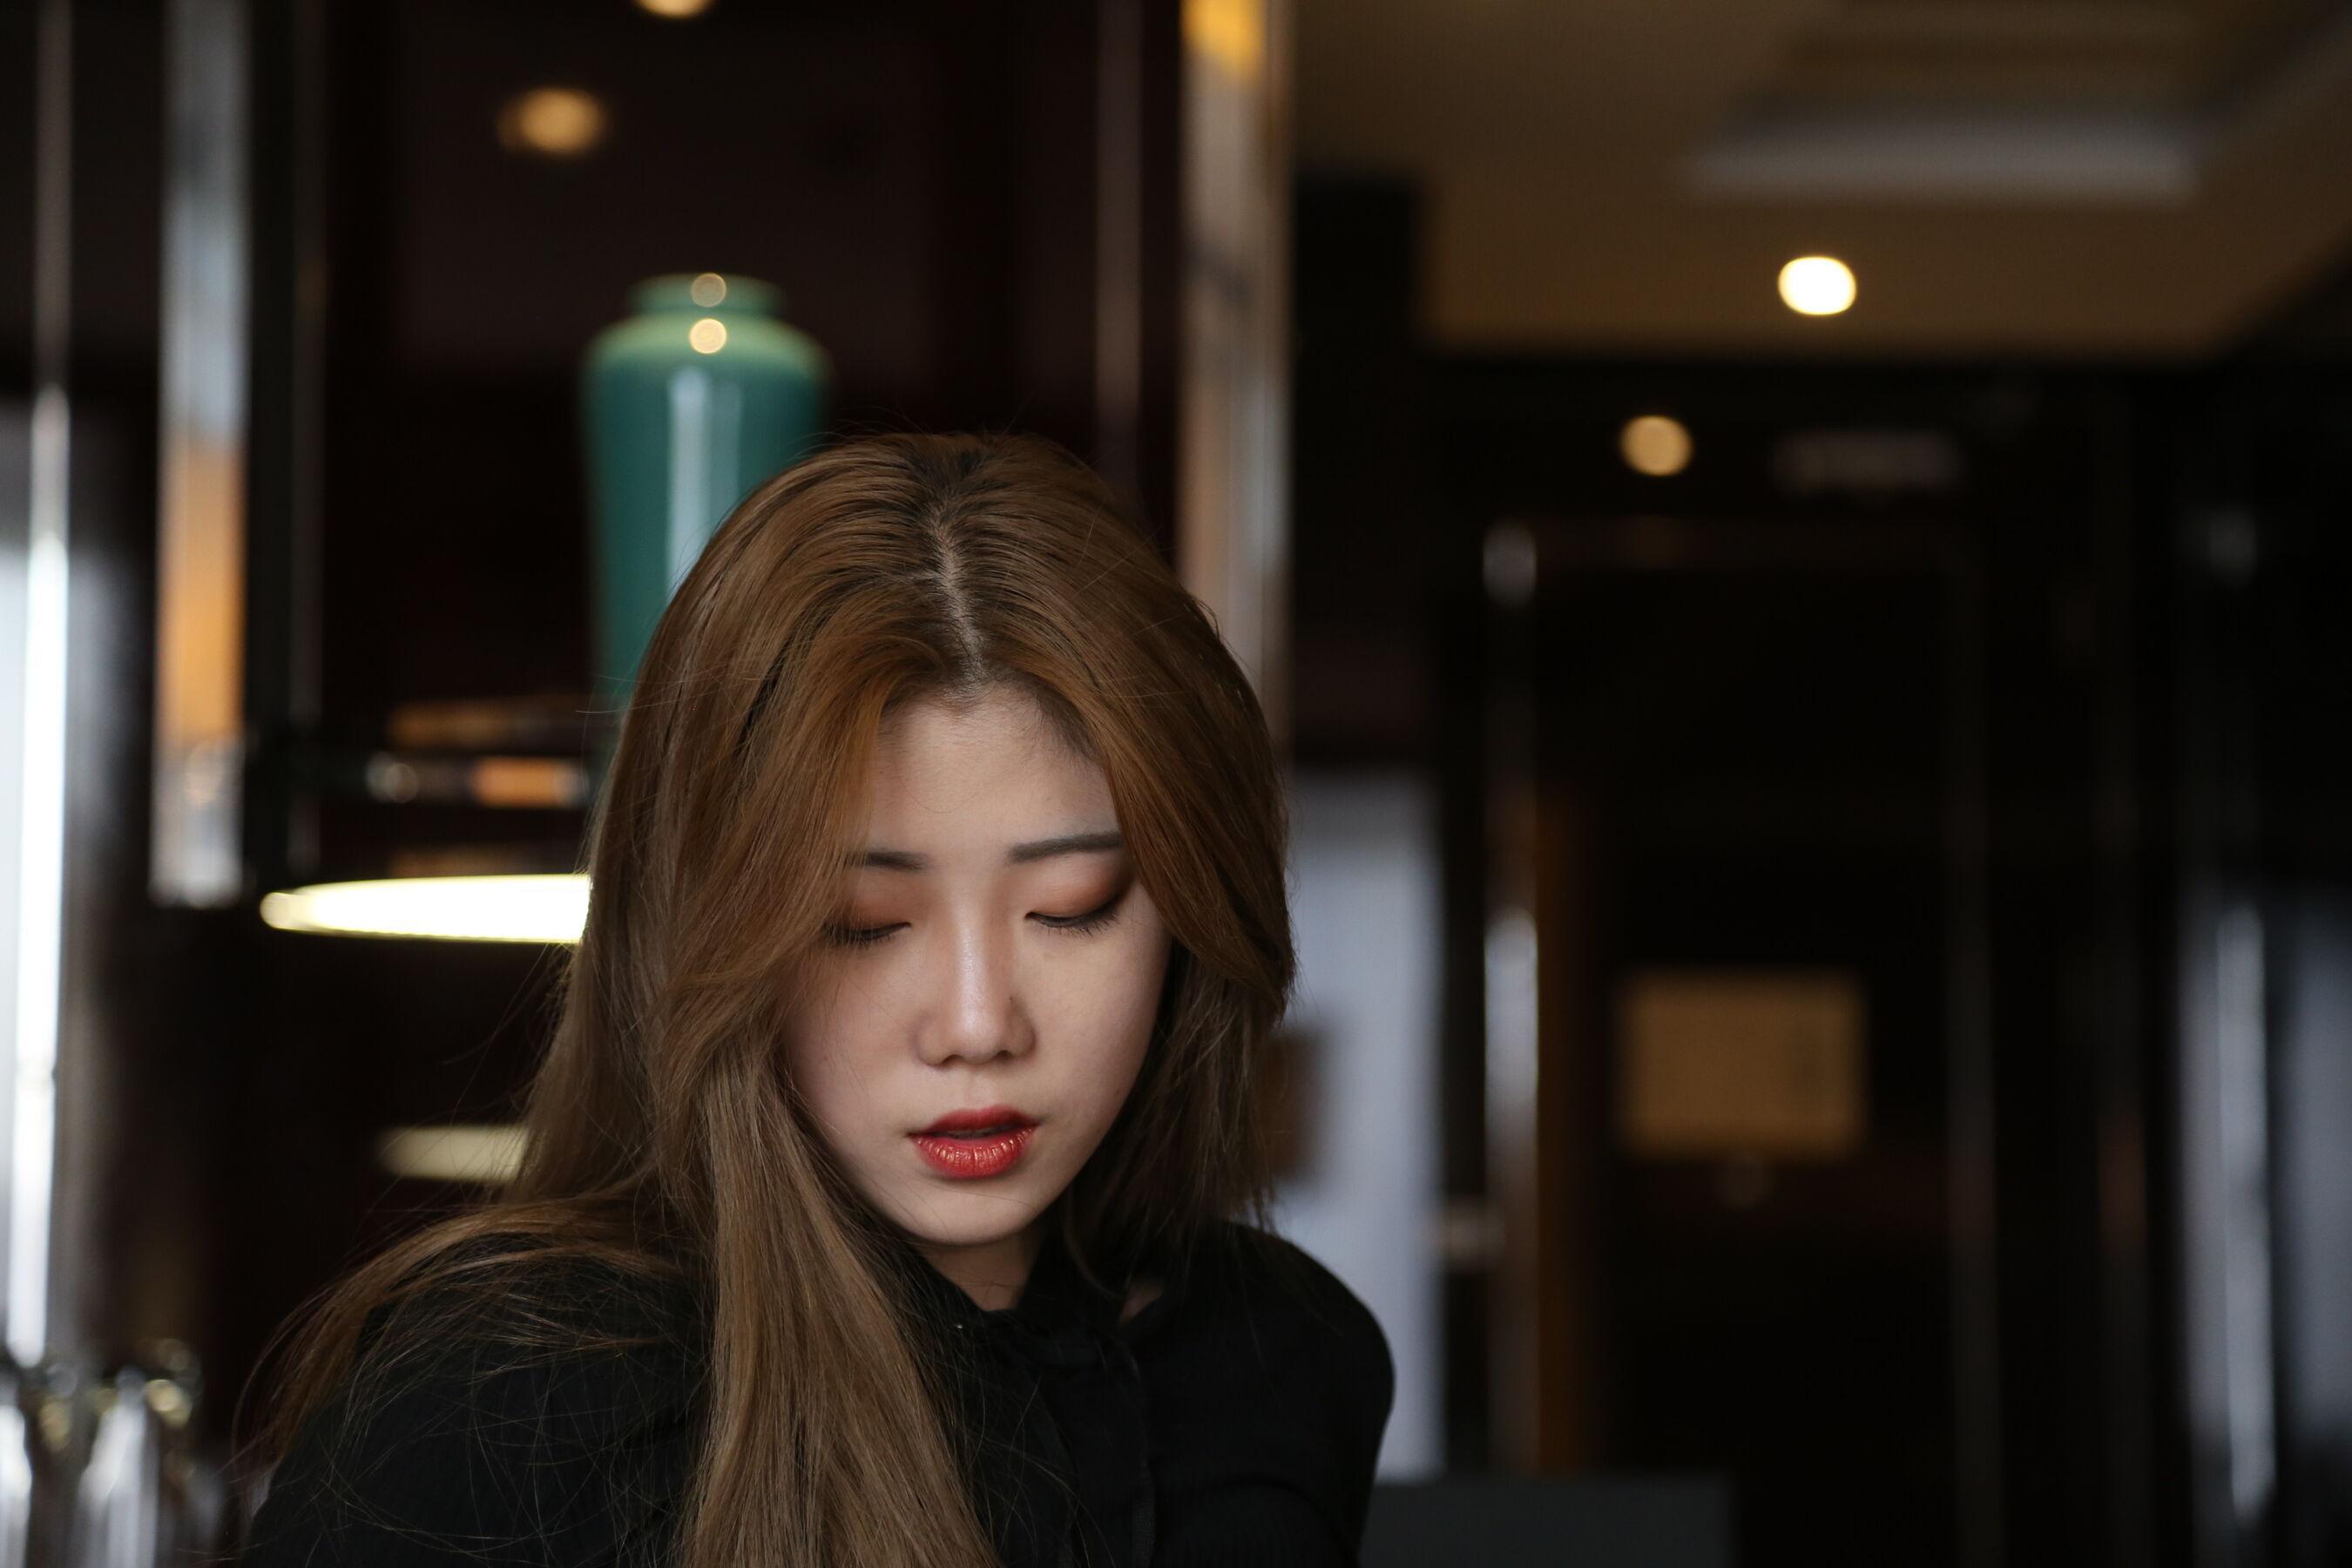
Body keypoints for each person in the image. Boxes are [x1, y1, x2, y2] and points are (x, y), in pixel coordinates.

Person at [236, 432, 1396, 1568]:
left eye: (1071, 907)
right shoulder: (497, 1409)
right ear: (703, 929)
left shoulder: (1276, 1360)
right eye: (864, 923)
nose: (978, 1025)